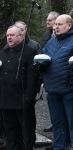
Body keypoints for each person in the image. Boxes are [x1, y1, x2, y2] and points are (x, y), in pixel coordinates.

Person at [0, 25, 38, 150]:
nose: (9, 38)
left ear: (21, 35)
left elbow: (33, 78)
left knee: (27, 133)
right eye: (8, 35)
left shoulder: (29, 52)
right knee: (10, 133)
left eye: (12, 35)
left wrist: (29, 98)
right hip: (6, 101)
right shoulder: (2, 52)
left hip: (22, 100)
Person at [41, 14, 73, 150]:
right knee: (57, 122)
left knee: (72, 122)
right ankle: (59, 146)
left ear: (69, 25)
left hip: (69, 89)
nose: (56, 27)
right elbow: (43, 57)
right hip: (53, 90)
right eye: (55, 25)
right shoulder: (50, 42)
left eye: (60, 24)